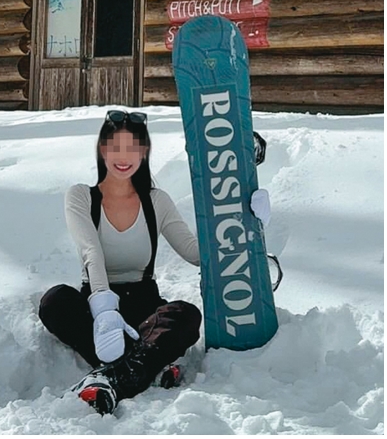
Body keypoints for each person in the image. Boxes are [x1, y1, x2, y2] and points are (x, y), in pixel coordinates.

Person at [38, 109, 271, 414]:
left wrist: (246, 222)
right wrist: (105, 309)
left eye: (133, 148)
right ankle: (148, 366)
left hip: (143, 307)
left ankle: (110, 378)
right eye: (116, 147)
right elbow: (90, 252)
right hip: (96, 304)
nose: (124, 157)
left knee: (185, 315)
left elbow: (195, 253)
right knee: (55, 301)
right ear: (103, 150)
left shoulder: (156, 200)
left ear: (144, 152)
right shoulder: (81, 196)